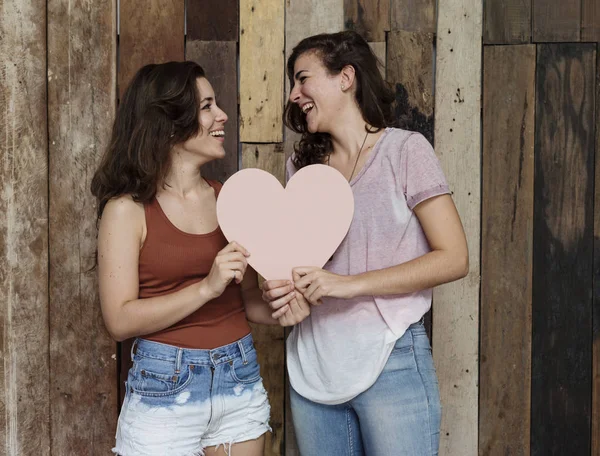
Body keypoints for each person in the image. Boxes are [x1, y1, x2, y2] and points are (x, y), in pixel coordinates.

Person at [262, 31, 469, 456]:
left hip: (390, 357)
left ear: (346, 77)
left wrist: (347, 284)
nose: (294, 94)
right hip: (313, 368)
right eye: (292, 84)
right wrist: (282, 291)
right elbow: (297, 267)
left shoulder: (405, 151)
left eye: (303, 79)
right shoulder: (300, 169)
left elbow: (454, 258)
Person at [91, 61, 309, 456]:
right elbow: (119, 320)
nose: (222, 115)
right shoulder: (126, 210)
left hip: (238, 376)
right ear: (170, 123)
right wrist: (206, 287)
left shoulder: (229, 197)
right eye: (207, 106)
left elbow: (246, 302)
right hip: (164, 389)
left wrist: (285, 306)